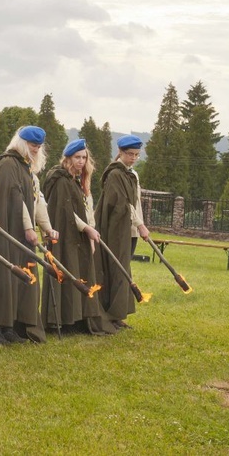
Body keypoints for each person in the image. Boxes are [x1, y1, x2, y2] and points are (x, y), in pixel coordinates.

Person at [0, 126, 58, 345]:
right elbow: (15, 200)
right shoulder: (8, 164)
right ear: (22, 143)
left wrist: (46, 227)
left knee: (17, 278)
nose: (36, 150)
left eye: (38, 147)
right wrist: (28, 227)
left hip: (20, 231)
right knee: (0, 276)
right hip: (4, 228)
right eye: (33, 145)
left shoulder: (26, 168)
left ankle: (10, 325)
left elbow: (36, 200)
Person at [41, 139, 116, 335]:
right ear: (68, 158)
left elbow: (81, 210)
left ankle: (77, 317)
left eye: (84, 157)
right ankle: (63, 320)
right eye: (77, 157)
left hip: (77, 237)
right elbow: (65, 212)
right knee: (66, 272)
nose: (81, 161)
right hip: (64, 237)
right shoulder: (61, 180)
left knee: (79, 273)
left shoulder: (75, 180)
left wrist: (88, 230)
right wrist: (87, 229)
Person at [94, 135, 148, 329]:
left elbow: (136, 202)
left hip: (129, 228)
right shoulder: (115, 174)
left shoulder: (131, 174)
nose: (133, 158)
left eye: (136, 155)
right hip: (116, 229)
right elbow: (122, 206)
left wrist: (139, 226)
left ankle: (118, 315)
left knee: (124, 270)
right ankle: (111, 316)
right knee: (117, 270)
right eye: (130, 154)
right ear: (121, 153)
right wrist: (140, 224)